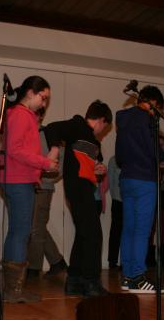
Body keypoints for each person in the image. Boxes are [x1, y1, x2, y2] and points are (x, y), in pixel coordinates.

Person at [44, 100, 113, 297]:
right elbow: (52, 128)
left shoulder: (94, 142)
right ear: (101, 120)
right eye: (104, 127)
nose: (102, 131)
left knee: (84, 234)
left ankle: (74, 281)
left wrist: (98, 170)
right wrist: (54, 150)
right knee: (94, 235)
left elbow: (88, 166)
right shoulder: (77, 125)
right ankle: (91, 282)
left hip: (85, 189)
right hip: (77, 188)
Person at [0, 76, 58, 302]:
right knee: (20, 232)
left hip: (18, 179)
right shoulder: (21, 114)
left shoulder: (20, 114)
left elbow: (18, 150)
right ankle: (13, 290)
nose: (44, 103)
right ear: (31, 93)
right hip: (18, 180)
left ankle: (12, 288)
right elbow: (14, 150)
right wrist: (45, 163)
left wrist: (41, 166)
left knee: (17, 231)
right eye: (43, 98)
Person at [116, 85, 164, 294]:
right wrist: (162, 158)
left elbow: (119, 154)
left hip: (126, 178)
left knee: (128, 228)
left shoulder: (123, 119)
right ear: (153, 103)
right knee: (142, 230)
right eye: (158, 107)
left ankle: (128, 277)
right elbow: (153, 148)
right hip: (144, 179)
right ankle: (138, 278)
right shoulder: (146, 119)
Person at [26, 107, 67, 279]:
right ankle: (57, 261)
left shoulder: (49, 134)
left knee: (35, 228)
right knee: (37, 227)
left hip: (43, 187)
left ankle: (34, 268)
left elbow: (59, 168)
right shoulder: (25, 134)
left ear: (41, 116)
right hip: (27, 187)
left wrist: (43, 178)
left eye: (35, 113)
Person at [146, 133, 164, 268]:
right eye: (158, 145)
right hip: (151, 200)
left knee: (163, 230)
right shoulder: (149, 162)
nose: (161, 147)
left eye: (163, 145)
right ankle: (149, 260)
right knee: (150, 229)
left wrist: (162, 182)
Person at [106, 155, 122, 270]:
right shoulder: (113, 160)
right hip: (117, 200)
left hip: (131, 202)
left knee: (128, 233)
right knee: (115, 231)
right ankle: (112, 261)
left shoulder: (133, 157)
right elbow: (110, 182)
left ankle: (125, 261)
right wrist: (115, 196)